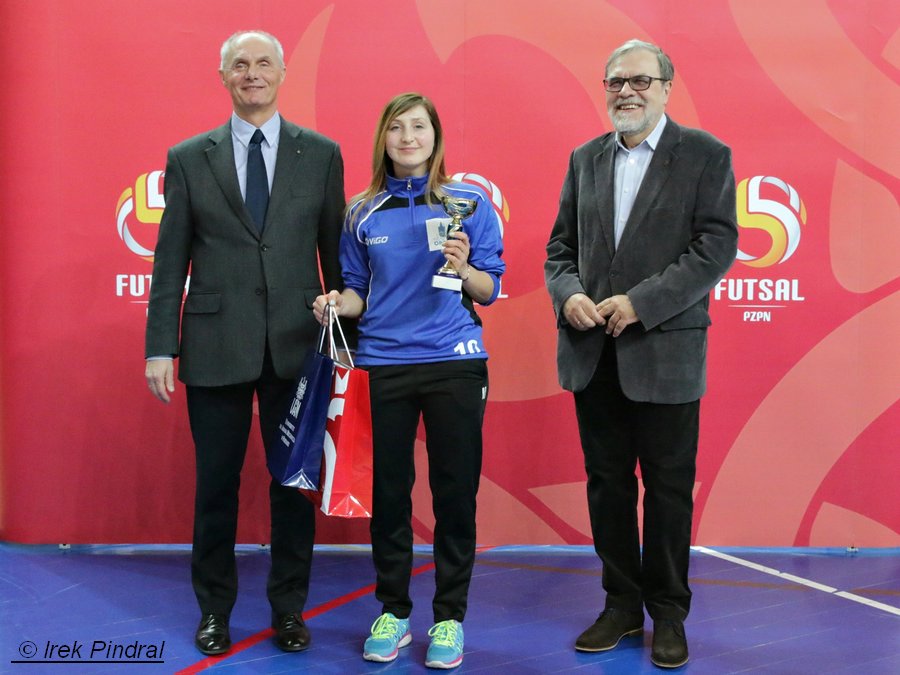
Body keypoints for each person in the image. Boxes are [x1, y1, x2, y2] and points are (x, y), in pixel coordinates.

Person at [144, 30, 345, 656]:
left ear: (282, 73)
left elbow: (336, 256)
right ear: (224, 77)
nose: (252, 74)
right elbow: (169, 258)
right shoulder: (187, 157)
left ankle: (289, 610)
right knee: (215, 488)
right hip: (214, 346)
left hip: (298, 347)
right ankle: (214, 611)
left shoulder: (322, 153)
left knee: (293, 488)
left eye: (263, 64)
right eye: (240, 65)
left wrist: (345, 342)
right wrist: (160, 346)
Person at [544, 39, 738, 669]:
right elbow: (559, 250)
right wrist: (569, 295)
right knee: (606, 488)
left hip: (665, 354)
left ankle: (669, 613)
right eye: (615, 82)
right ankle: (622, 607)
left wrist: (642, 302)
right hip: (593, 353)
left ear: (666, 86)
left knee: (669, 490)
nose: (625, 91)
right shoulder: (584, 159)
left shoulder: (705, 155)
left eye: (639, 81)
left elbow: (715, 247)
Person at [313, 92, 505, 670]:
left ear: (435, 136)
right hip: (384, 366)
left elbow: (489, 289)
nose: (407, 137)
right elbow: (356, 291)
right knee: (390, 496)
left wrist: (465, 266)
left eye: (418, 126)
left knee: (454, 494)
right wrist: (333, 304)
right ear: (384, 139)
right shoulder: (361, 211)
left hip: (454, 361)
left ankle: (448, 619)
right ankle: (393, 612)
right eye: (396, 128)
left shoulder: (469, 203)